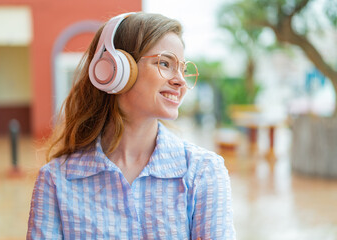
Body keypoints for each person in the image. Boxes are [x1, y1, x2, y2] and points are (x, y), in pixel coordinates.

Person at [27, 12, 236, 239]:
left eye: (183, 69)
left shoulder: (203, 172)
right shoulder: (55, 180)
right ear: (115, 69)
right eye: (165, 63)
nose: (180, 81)